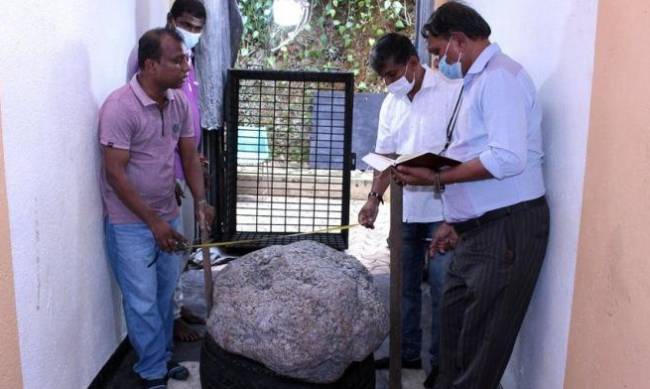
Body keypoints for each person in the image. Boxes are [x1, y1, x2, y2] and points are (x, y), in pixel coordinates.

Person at [393, 2, 550, 388]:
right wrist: (455, 220)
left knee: (479, 353)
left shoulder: (500, 78)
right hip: (479, 231)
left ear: (458, 42)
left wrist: (436, 178)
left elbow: (506, 158)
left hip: (506, 232)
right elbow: (474, 151)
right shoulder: (476, 81)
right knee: (455, 342)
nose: (436, 61)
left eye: (436, 51)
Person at [100, 28, 214, 389]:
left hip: (165, 213)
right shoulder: (119, 108)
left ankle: (162, 359)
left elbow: (188, 155)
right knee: (142, 300)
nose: (187, 67)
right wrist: (153, 223)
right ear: (150, 65)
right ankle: (151, 371)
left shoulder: (178, 101)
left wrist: (200, 200)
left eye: (187, 59)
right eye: (178, 60)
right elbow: (115, 174)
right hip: (129, 223)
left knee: (165, 296)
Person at [358, 32, 461, 386]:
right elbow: (384, 157)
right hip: (404, 210)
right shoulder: (392, 103)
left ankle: (440, 368)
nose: (388, 83)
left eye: (391, 74)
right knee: (403, 286)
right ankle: (406, 351)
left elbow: (461, 156)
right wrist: (373, 199)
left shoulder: (451, 95)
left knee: (443, 285)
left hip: (442, 211)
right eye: (383, 78)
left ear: (413, 64)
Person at [127, 0, 208, 343]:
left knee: (180, 245)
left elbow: (185, 119)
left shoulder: (187, 62)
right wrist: (170, 174)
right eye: (187, 24)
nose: (192, 33)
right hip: (164, 174)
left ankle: (175, 306)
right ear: (172, 20)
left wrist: (193, 160)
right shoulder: (149, 60)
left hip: (185, 164)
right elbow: (151, 123)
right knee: (168, 250)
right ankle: (170, 318)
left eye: (198, 27)